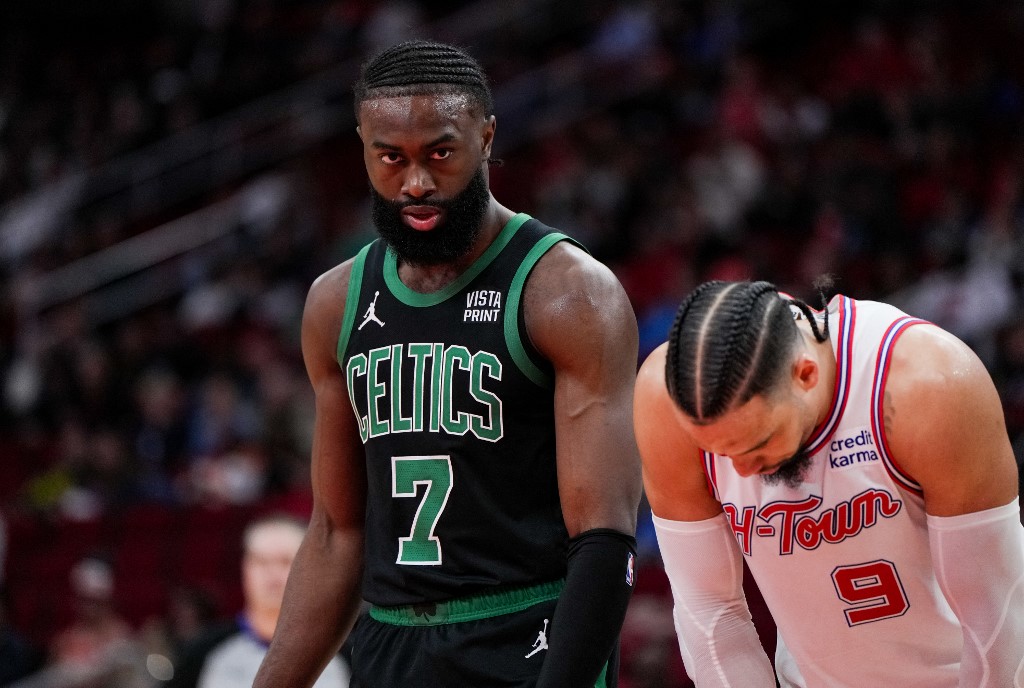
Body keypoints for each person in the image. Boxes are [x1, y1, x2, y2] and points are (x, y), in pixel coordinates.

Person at [254, 39, 642, 688]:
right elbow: (334, 535)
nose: (416, 183)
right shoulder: (334, 305)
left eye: (440, 153)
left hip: (525, 635)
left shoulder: (569, 293)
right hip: (391, 647)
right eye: (390, 158)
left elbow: (603, 541)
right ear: (363, 149)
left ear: (486, 138)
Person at [633, 279, 1024, 686]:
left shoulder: (927, 388)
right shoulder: (668, 403)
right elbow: (711, 612)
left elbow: (997, 620)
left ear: (805, 374)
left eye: (758, 444)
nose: (743, 470)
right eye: (723, 453)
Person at [169, 514, 350, 687]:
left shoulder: (345, 652)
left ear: (311, 569)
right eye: (261, 561)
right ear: (245, 569)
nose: (273, 574)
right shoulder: (204, 651)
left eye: (285, 561)